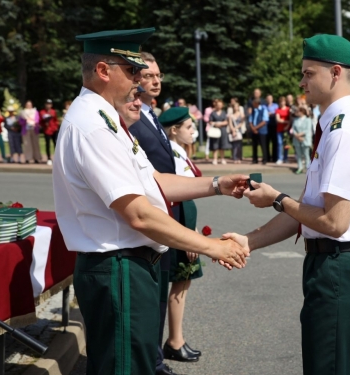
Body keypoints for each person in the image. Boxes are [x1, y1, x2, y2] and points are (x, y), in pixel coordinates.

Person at [53, 28, 248, 375]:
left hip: (129, 267)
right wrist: (211, 247)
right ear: (103, 70)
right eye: (132, 72)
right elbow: (139, 214)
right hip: (118, 267)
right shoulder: (93, 125)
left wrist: (218, 184)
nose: (139, 82)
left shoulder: (107, 118)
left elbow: (153, 182)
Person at [223, 34, 350, 375]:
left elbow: (333, 222)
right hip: (338, 266)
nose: (301, 82)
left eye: (308, 73)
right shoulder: (333, 126)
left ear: (334, 73)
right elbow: (308, 212)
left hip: (339, 268)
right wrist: (249, 241)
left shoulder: (343, 131)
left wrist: (276, 198)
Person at [126, 51, 180, 375]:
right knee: (151, 299)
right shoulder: (134, 119)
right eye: (148, 76)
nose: (155, 80)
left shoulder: (151, 115)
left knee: (160, 296)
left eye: (158, 75)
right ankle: (152, 362)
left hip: (165, 218)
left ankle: (155, 359)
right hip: (150, 222)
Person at [157, 107, 204, 364]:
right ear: (174, 130)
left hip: (185, 218)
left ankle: (176, 338)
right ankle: (174, 341)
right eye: (188, 127)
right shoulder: (172, 156)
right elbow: (176, 195)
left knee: (184, 281)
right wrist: (187, 231)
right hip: (178, 219)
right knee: (181, 278)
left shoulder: (179, 152)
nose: (193, 132)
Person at [291, 105, 313, 174]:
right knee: (299, 155)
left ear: (302, 112)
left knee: (306, 155)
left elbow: (307, 130)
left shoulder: (308, 119)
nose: (296, 112)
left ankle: (308, 168)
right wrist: (297, 136)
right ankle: (300, 167)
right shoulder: (295, 120)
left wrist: (300, 135)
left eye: (298, 111)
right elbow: (293, 129)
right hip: (297, 139)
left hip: (305, 139)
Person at [208, 99, 230, 165]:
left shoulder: (224, 112)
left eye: (220, 105)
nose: (219, 106)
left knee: (222, 145)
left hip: (223, 130)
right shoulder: (213, 113)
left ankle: (222, 158)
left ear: (222, 105)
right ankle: (215, 159)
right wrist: (215, 124)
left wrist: (220, 124)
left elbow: (227, 121)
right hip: (215, 130)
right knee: (215, 145)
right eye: (218, 105)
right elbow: (210, 121)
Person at [249, 97, 269, 164]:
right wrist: (252, 128)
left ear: (257, 103)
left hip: (262, 131)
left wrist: (256, 128)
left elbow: (264, 121)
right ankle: (255, 159)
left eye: (254, 104)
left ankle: (265, 159)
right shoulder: (253, 110)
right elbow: (250, 120)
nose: (253, 105)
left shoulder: (263, 110)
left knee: (263, 145)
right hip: (254, 130)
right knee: (254, 145)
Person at [40, 99, 59, 165]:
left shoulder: (53, 111)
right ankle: (49, 158)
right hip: (47, 130)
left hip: (53, 130)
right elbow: (41, 121)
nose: (48, 105)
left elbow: (56, 120)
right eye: (47, 104)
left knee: (56, 144)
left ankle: (57, 158)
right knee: (47, 145)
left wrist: (56, 127)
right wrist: (44, 124)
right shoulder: (42, 112)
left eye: (49, 104)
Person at [275, 96, 290, 164]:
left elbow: (290, 120)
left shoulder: (288, 109)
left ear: (285, 102)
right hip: (279, 129)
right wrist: (286, 121)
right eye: (280, 102)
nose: (282, 103)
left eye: (283, 101)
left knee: (286, 144)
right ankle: (279, 158)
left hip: (286, 129)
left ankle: (285, 158)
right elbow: (278, 120)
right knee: (279, 143)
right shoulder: (277, 110)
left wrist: (287, 125)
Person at [265, 94, 278, 162]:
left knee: (274, 142)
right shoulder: (264, 106)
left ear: (272, 99)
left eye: (270, 98)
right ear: (266, 99)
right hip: (266, 126)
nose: (269, 99)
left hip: (274, 125)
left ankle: (274, 158)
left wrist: (269, 114)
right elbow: (264, 114)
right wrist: (271, 114)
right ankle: (267, 158)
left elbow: (276, 113)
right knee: (266, 142)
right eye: (268, 98)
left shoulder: (276, 105)